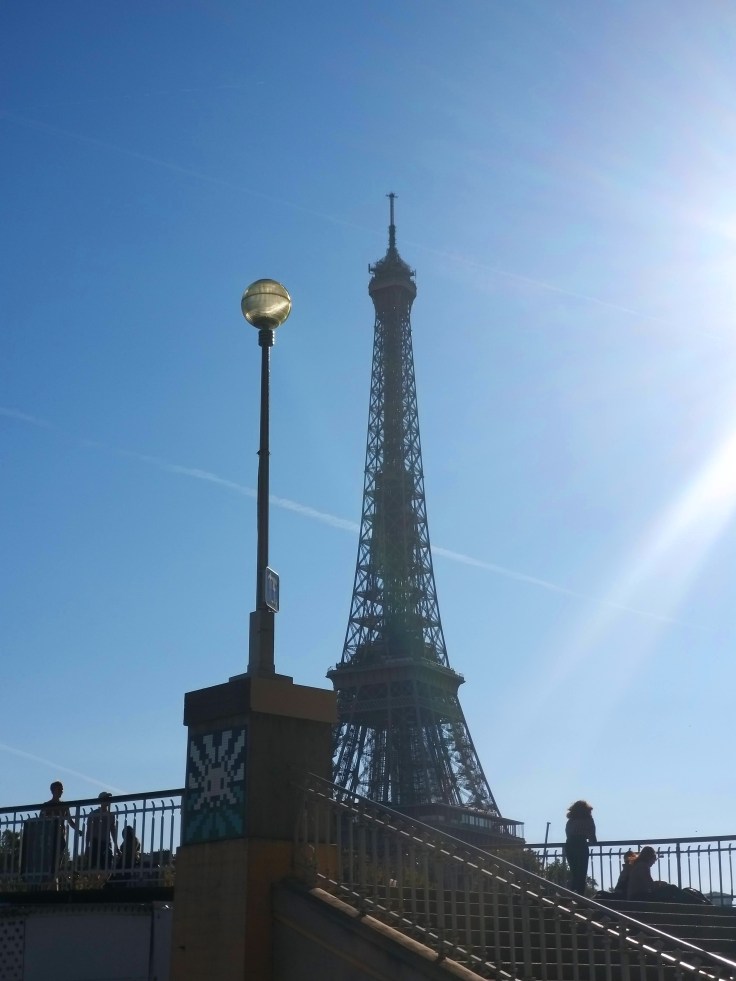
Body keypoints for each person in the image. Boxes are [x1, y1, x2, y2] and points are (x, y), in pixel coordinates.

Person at [39, 781, 78, 885]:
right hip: (49, 837)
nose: (61, 791)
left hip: (60, 837)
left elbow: (69, 820)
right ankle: (50, 882)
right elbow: (40, 821)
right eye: (59, 789)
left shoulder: (64, 805)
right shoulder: (46, 805)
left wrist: (77, 829)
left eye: (62, 789)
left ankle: (54, 881)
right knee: (49, 862)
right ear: (53, 791)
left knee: (57, 862)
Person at [564, 799, 596, 894]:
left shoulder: (571, 820)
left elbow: (568, 833)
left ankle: (572, 893)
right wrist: (592, 840)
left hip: (570, 844)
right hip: (581, 844)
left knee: (574, 872)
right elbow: (592, 836)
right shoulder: (588, 819)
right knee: (582, 872)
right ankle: (579, 895)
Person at [84, 792, 118, 871]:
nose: (108, 801)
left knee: (107, 866)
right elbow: (89, 831)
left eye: (109, 799)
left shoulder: (111, 815)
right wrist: (87, 846)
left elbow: (113, 831)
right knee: (94, 867)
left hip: (106, 843)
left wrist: (116, 845)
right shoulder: (94, 814)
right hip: (95, 843)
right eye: (106, 798)